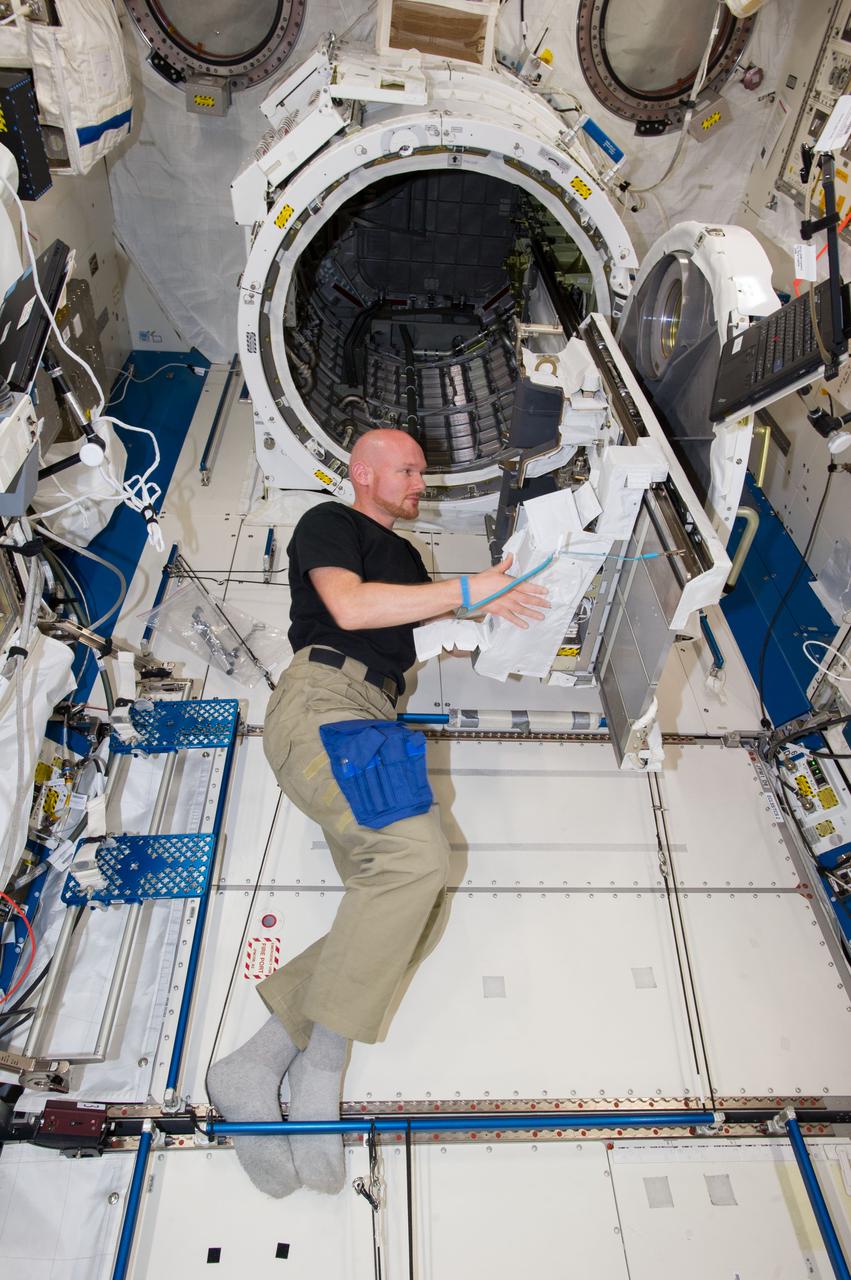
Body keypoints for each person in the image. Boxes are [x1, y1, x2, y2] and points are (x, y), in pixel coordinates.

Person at [207, 428, 548, 1197]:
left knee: (417, 901)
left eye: (421, 471)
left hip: (373, 720)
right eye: (407, 468)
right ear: (362, 472)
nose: (418, 481)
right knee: (415, 863)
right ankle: (321, 1069)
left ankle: (256, 1063)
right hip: (326, 705)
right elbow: (350, 609)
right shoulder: (329, 524)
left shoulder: (410, 564)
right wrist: (473, 589)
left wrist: (499, 626)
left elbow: (410, 635)